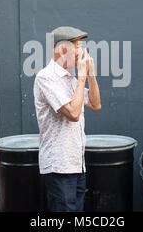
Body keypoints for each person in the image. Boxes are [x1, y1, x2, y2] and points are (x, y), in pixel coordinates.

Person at [33, 26, 101, 212]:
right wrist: (81, 78)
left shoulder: (70, 77)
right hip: (59, 165)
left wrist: (91, 74)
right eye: (77, 46)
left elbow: (95, 104)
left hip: (77, 163)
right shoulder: (46, 77)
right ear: (63, 49)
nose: (82, 51)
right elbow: (73, 113)